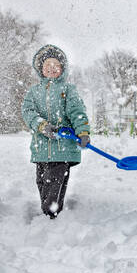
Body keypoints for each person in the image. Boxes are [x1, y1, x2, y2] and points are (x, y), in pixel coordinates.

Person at [21, 44, 90, 219]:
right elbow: (28, 112)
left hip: (62, 148)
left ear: (62, 69)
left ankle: (51, 215)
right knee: (42, 182)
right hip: (41, 148)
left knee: (55, 184)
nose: (52, 68)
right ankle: (49, 212)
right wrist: (41, 125)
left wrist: (83, 133)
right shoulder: (34, 92)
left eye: (56, 65)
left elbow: (77, 113)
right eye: (47, 65)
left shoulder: (67, 90)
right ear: (40, 69)